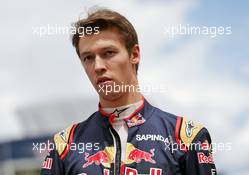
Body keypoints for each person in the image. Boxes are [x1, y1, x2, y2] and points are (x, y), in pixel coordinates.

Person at [40, 8, 217, 175]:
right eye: (88, 58)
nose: (98, 66)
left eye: (108, 53)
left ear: (134, 54)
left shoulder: (186, 137)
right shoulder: (64, 145)